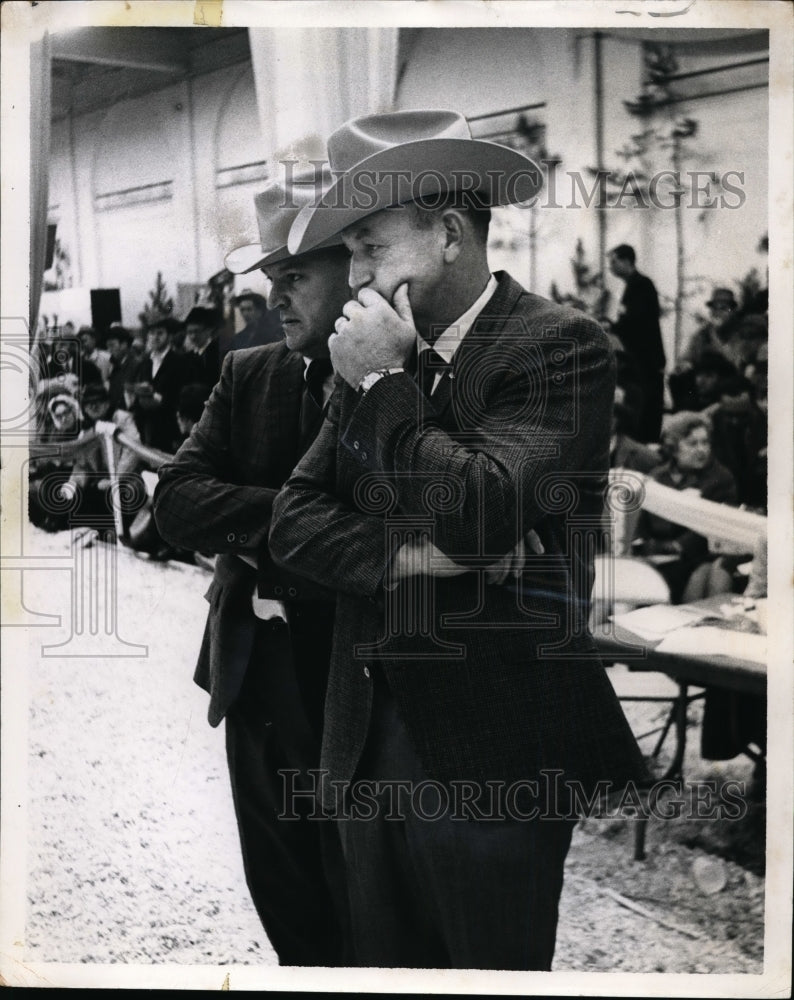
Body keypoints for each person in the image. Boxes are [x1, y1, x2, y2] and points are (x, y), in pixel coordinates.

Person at [268, 109, 648, 971]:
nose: (354, 275)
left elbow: (481, 511)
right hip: (364, 741)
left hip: (494, 757)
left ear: (448, 233)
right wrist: (413, 556)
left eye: (369, 248)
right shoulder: (367, 354)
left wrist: (389, 384)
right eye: (352, 252)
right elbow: (293, 521)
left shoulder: (559, 347)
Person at [153, 169, 354, 968]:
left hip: (356, 674)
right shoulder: (249, 374)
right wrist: (306, 518)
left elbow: (396, 525)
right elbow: (174, 503)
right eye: (271, 277)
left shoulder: (405, 384)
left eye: (296, 275)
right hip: (258, 672)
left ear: (357, 268)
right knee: (283, 886)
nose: (276, 295)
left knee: (360, 884)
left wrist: (250, 520)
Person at [634, 410, 739, 604]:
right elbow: (642, 520)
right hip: (656, 557)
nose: (701, 450)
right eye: (692, 443)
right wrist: (646, 546)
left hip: (697, 558)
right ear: (674, 448)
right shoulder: (656, 476)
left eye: (705, 442)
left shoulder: (721, 478)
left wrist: (676, 546)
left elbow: (714, 526)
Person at [607, 244, 666, 443]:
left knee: (648, 408)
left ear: (626, 261)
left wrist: (614, 327)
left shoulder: (642, 285)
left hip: (646, 360)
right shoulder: (633, 286)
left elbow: (637, 321)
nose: (611, 267)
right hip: (639, 360)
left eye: (614, 262)